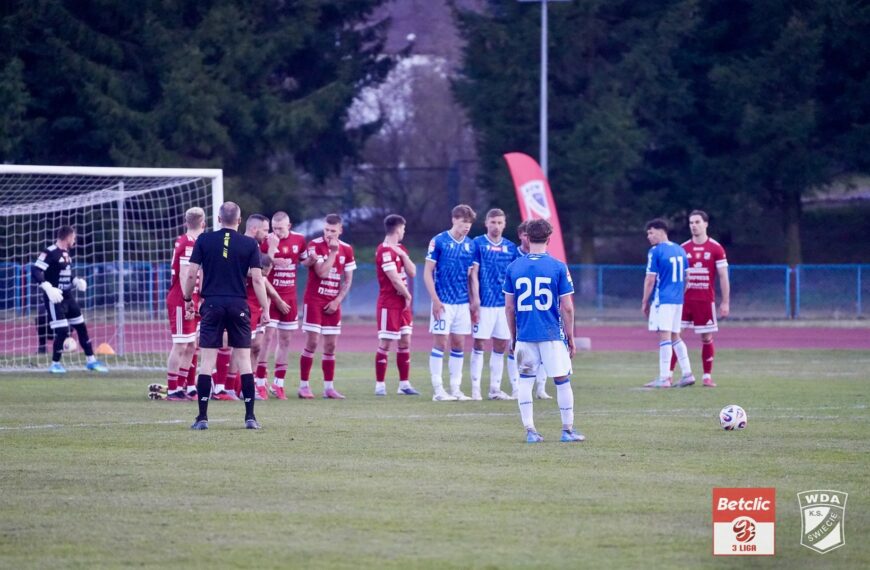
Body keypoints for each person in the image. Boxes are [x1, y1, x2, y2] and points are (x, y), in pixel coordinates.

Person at [183, 202, 269, 430]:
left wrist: (187, 298)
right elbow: (258, 280)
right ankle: (250, 417)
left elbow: (191, 273)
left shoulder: (203, 239)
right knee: (243, 360)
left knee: (207, 361)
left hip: (211, 304)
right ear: (239, 221)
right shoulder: (250, 243)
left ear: (218, 219)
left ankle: (202, 418)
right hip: (238, 304)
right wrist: (266, 309)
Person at [504, 219, 583, 443]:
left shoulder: (514, 267)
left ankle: (530, 431)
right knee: (562, 380)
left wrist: (513, 336)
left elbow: (509, 307)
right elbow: (567, 307)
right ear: (549, 238)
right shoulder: (558, 267)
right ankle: (567, 431)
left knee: (525, 381)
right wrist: (570, 337)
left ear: (527, 238)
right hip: (551, 334)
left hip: (525, 334)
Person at [214, 214, 289, 401]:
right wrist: (275, 300)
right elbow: (260, 275)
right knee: (240, 346)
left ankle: (245, 385)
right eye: (265, 229)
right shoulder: (244, 245)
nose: (268, 233)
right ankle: (229, 387)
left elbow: (262, 273)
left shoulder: (254, 245)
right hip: (246, 302)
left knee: (255, 346)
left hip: (256, 302)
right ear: (254, 229)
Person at [32, 225, 109, 374]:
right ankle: (55, 364)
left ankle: (91, 361)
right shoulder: (50, 252)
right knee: (61, 331)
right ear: (67, 237)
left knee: (81, 327)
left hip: (68, 297)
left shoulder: (66, 253)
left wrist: (75, 281)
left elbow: (64, 274)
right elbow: (35, 270)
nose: (75, 240)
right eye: (73, 237)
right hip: (55, 298)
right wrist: (47, 287)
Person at [668, 210, 730, 387]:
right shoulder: (682, 249)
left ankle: (706, 376)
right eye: (691, 223)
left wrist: (725, 302)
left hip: (704, 301)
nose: (693, 226)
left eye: (697, 222)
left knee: (706, 337)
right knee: (675, 336)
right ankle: (669, 374)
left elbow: (724, 276)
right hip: (684, 302)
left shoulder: (716, 248)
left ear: (706, 224)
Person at [298, 213, 356, 399]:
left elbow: (347, 280)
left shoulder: (347, 249)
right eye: (326, 230)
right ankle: (304, 386)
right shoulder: (315, 245)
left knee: (330, 346)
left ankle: (329, 388)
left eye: (333, 230)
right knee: (313, 342)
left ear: (340, 230)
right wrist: (332, 251)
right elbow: (322, 273)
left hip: (333, 301)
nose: (329, 234)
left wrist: (337, 300)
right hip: (314, 300)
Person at [424, 204, 477, 401]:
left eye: (469, 223)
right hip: (443, 302)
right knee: (440, 343)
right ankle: (438, 389)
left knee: (459, 344)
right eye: (464, 222)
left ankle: (456, 388)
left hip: (462, 303)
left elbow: (471, 276)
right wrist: (435, 300)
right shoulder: (439, 241)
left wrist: (474, 302)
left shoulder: (471, 245)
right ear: (454, 219)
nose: (466, 226)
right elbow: (427, 272)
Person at [256, 211, 308, 399]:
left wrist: (314, 259)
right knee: (266, 339)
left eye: (280, 228)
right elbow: (261, 276)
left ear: (289, 226)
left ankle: (279, 384)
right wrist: (275, 298)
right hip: (270, 298)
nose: (277, 232)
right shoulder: (265, 242)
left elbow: (304, 261)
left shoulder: (300, 240)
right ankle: (260, 383)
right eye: (274, 228)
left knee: (285, 341)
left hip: (290, 298)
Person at [469, 208, 519, 400]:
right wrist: (475, 298)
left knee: (501, 344)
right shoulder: (478, 244)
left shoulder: (510, 248)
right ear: (486, 223)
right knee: (479, 342)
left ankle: (494, 389)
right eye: (493, 222)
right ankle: (475, 389)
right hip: (484, 303)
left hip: (503, 304)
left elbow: (514, 276)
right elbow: (473, 273)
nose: (496, 226)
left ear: (504, 224)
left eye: (500, 223)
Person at [374, 214, 420, 396]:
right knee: (385, 343)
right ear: (398, 228)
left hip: (402, 305)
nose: (404, 232)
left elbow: (413, 272)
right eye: (403, 229)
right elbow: (393, 278)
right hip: (389, 303)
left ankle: (404, 384)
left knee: (405, 341)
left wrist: (403, 255)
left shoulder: (400, 249)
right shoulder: (384, 250)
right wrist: (408, 295)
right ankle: (380, 385)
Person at [641, 218, 687, 389]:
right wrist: (679, 294)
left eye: (651, 232)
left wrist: (645, 301)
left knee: (664, 337)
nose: (649, 236)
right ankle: (688, 373)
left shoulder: (656, 251)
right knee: (675, 336)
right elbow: (687, 278)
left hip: (663, 300)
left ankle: (664, 377)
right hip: (677, 300)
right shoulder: (680, 250)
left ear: (661, 231)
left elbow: (650, 279)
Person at [165, 207, 205, 401]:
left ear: (185, 222)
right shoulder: (187, 243)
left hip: (193, 297)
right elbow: (185, 273)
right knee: (181, 344)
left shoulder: (196, 242)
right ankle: (173, 388)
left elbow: (199, 272)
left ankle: (185, 386)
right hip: (181, 298)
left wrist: (201, 296)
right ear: (203, 223)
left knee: (191, 345)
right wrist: (188, 300)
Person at [512, 221, 550, 400]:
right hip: (535, 318)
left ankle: (540, 388)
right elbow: (566, 304)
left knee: (529, 371)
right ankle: (567, 426)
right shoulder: (554, 264)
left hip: (530, 318)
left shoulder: (518, 264)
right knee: (562, 379)